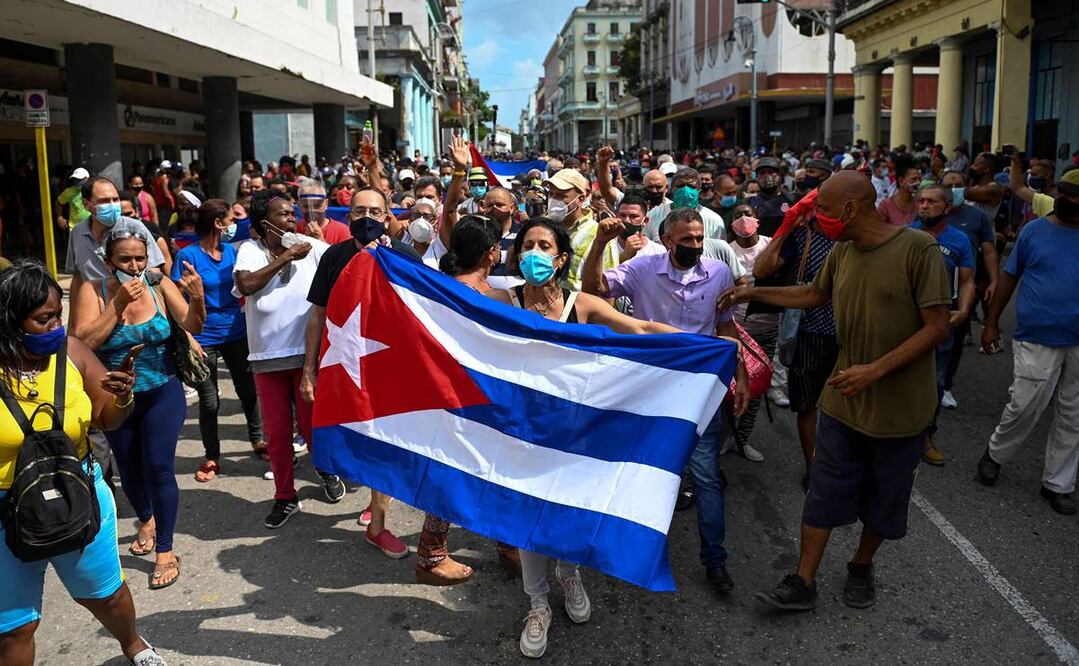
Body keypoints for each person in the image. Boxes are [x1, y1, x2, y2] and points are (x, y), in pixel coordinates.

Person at [722, 171, 950, 612]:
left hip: (901, 409)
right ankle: (803, 580)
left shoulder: (917, 249)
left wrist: (875, 370)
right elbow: (812, 294)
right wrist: (751, 292)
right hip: (844, 400)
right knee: (824, 490)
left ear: (848, 210)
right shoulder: (844, 252)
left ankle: (861, 565)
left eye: (823, 210)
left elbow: (938, 326)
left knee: (885, 498)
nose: (818, 218)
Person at [488, 218, 684, 659]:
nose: (534, 253)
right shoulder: (503, 300)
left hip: (577, 429)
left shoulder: (582, 303)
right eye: (527, 246)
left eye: (544, 246)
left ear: (560, 259)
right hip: (524, 427)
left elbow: (641, 330)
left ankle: (569, 573)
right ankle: (537, 603)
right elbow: (449, 308)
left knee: (572, 508)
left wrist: (702, 344)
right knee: (530, 517)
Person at [0, 262, 170, 665]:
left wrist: (123, 395)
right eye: (43, 320)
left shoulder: (72, 352)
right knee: (14, 628)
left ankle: (134, 645)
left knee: (107, 596)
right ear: (9, 322)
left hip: (78, 498)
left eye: (57, 315)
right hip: (6, 514)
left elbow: (106, 416)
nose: (56, 326)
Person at [582, 207, 749, 597]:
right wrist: (601, 244)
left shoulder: (719, 273)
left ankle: (715, 561)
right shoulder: (642, 268)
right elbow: (595, 292)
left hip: (700, 389)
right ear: (667, 239)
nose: (694, 245)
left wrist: (739, 374)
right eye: (686, 239)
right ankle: (624, 548)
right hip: (649, 388)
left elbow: (726, 328)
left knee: (706, 476)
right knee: (635, 470)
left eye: (698, 239)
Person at [72, 227, 205, 591]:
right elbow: (82, 343)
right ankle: (147, 517)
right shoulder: (92, 288)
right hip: (115, 396)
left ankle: (165, 550)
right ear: (108, 262)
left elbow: (191, 324)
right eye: (124, 260)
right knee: (129, 471)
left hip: (163, 390)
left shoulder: (159, 285)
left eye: (139, 259)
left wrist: (198, 299)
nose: (133, 267)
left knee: (159, 467)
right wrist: (116, 305)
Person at [302, 187, 422, 559]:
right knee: (353, 437)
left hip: (390, 367)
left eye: (374, 211)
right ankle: (372, 495)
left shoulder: (403, 256)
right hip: (345, 365)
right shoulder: (333, 257)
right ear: (347, 216)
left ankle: (377, 522)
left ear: (388, 216)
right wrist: (309, 370)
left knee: (384, 441)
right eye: (358, 211)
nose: (366, 217)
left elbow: (421, 313)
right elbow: (318, 314)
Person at [233, 191, 344, 528]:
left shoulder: (310, 248)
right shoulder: (250, 252)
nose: (291, 219)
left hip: (306, 357)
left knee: (312, 427)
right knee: (278, 433)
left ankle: (325, 471)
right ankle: (285, 496)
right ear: (264, 223)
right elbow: (247, 284)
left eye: (291, 212)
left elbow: (346, 258)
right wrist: (285, 257)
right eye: (282, 215)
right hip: (266, 359)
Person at [977, 176, 1079, 515]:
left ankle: (1058, 484)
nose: (1068, 200)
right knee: (1025, 404)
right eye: (1064, 193)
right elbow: (1010, 277)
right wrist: (991, 323)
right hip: (1037, 335)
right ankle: (996, 454)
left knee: (1074, 415)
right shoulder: (1034, 232)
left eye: (1075, 196)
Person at [751, 180, 839, 490]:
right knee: (807, 403)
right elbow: (761, 270)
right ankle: (813, 465)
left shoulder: (857, 234)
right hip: (810, 331)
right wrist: (788, 226)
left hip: (852, 332)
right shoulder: (804, 232)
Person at [173, 200, 265, 481]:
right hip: (203, 337)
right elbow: (176, 299)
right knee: (210, 402)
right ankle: (212, 455)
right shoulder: (187, 256)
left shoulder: (232, 252)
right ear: (218, 223)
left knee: (248, 392)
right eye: (230, 218)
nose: (234, 224)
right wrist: (188, 337)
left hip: (236, 333)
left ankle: (258, 440)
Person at [910, 184, 975, 466]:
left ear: (947, 207)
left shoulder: (959, 240)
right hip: (906, 320)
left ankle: (925, 436)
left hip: (941, 322)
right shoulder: (905, 234)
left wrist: (963, 310)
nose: (924, 206)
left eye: (932, 202)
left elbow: (967, 280)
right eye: (921, 201)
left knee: (934, 383)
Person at [939, 170, 1000, 409]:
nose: (954, 189)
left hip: (964, 289)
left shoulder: (977, 217)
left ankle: (945, 386)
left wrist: (994, 280)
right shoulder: (929, 215)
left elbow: (989, 250)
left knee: (955, 341)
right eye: (949, 185)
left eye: (959, 184)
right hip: (930, 289)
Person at [728, 213, 775, 463]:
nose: (744, 219)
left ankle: (743, 439)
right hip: (733, 328)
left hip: (766, 326)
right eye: (738, 216)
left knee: (755, 389)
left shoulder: (770, 244)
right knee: (730, 389)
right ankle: (727, 435)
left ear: (758, 220)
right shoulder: (727, 250)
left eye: (749, 215)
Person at [543, 168, 596, 291]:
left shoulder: (597, 233)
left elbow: (606, 287)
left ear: (580, 199)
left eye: (561, 196)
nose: (554, 200)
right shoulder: (542, 228)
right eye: (551, 194)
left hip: (578, 307)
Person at [643, 167, 727, 241]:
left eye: (692, 187)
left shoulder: (714, 220)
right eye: (680, 186)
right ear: (672, 189)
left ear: (699, 191)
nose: (686, 190)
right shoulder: (653, 215)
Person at [748, 157, 796, 237]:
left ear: (780, 176)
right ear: (756, 177)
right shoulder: (749, 203)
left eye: (771, 172)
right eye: (762, 173)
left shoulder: (793, 200)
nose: (767, 176)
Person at [296, 179, 350, 244]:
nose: (312, 211)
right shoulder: (295, 229)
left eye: (317, 206)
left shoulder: (343, 232)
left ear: (326, 204)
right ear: (299, 205)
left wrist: (320, 240)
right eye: (306, 206)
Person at [877, 155, 921, 226]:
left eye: (919, 179)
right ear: (901, 181)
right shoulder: (886, 205)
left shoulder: (920, 204)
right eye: (914, 179)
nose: (918, 182)